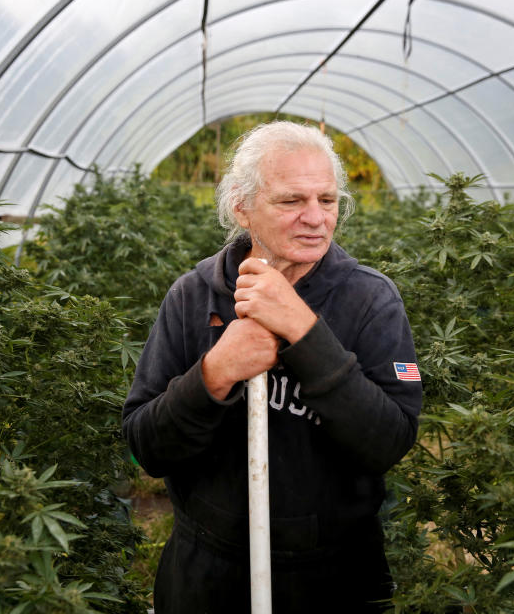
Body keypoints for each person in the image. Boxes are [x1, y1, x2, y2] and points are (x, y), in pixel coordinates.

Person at [121, 121, 422, 613]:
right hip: (207, 573)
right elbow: (145, 449)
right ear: (242, 207)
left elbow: (390, 441)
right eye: (291, 201)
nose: (315, 218)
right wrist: (214, 373)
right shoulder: (193, 296)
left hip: (334, 577)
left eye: (327, 200)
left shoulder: (370, 300)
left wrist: (305, 332)